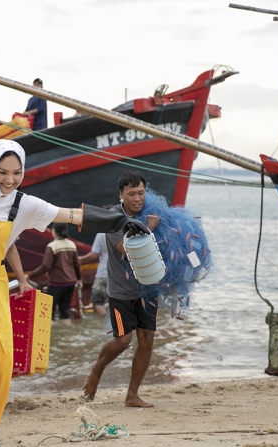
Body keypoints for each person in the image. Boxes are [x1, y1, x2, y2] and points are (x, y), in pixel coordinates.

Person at [0, 139, 147, 447]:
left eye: (16, 173)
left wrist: (123, 221)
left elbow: (72, 215)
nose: (9, 180)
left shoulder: (24, 205)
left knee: (2, 366)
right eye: (2, 172)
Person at [82, 171, 160, 408]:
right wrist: (149, 227)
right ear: (121, 195)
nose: (138, 198)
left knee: (146, 339)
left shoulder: (153, 209)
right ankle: (97, 369)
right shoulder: (113, 217)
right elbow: (127, 249)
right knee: (123, 340)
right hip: (121, 291)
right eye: (132, 194)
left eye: (141, 193)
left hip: (148, 289)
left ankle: (132, 395)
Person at [27, 223, 81, 325]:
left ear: (54, 231)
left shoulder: (52, 246)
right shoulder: (72, 244)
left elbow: (45, 266)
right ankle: (66, 336)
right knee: (64, 312)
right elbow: (76, 265)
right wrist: (79, 279)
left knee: (49, 312)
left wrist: (29, 276)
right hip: (71, 283)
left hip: (57, 283)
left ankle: (52, 337)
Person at [77, 231, 110, 316]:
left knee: (97, 302)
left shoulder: (102, 234)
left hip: (103, 274)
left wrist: (81, 259)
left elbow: (94, 254)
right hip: (121, 275)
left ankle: (107, 324)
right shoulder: (122, 232)